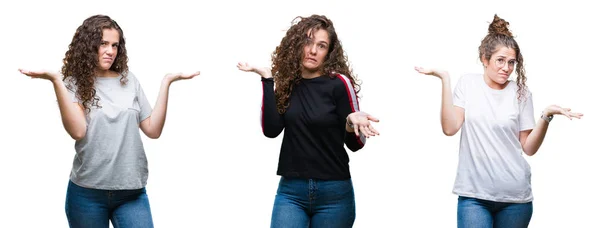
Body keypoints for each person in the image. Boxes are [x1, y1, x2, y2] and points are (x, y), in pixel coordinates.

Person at [18, 14, 199, 228]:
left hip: (131, 192)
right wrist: (56, 81)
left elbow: (153, 130)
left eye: (115, 45)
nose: (110, 51)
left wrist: (166, 82)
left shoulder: (128, 79)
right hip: (87, 194)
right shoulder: (72, 83)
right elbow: (78, 131)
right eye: (103, 43)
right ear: (88, 45)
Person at [415, 14, 583, 228]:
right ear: (485, 60)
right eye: (500, 61)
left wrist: (546, 116)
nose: (506, 68)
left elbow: (528, 148)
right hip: (473, 196)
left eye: (511, 62)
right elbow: (450, 128)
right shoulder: (468, 84)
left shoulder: (521, 93)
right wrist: (445, 80)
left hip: (515, 199)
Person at [237, 14, 379, 228]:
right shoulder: (288, 83)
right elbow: (271, 130)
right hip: (292, 192)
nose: (313, 50)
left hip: (334, 195)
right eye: (308, 42)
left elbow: (355, 144)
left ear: (329, 53)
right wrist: (268, 80)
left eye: (321, 46)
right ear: (297, 44)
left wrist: (351, 122)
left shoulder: (339, 83)